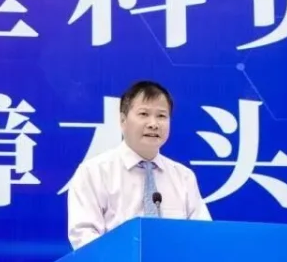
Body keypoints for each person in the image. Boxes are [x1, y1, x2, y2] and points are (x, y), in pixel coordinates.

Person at [67, 80, 211, 250]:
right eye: (143, 114)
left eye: (161, 116)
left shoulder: (183, 177)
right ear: (123, 120)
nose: (153, 124)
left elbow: (204, 235)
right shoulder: (94, 173)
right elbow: (84, 236)